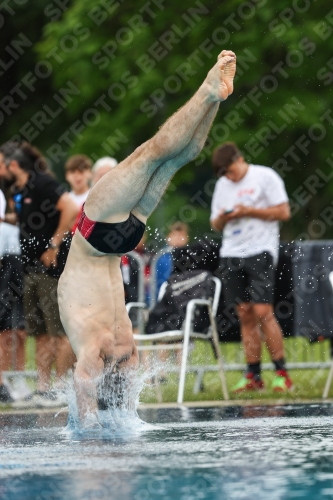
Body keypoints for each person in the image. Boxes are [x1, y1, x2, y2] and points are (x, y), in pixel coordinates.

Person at [57, 50, 237, 424]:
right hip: (96, 234)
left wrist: (89, 425)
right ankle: (208, 93)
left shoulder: (119, 348)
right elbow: (84, 381)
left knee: (171, 159)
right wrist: (90, 421)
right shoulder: (101, 347)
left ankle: (214, 97)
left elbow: (90, 383)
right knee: (152, 153)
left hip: (119, 240)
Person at [0, 143, 79, 408]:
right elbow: (25, 222)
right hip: (29, 269)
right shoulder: (18, 190)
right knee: (40, 333)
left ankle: (61, 385)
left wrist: (54, 244)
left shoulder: (42, 183)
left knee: (59, 331)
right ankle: (44, 388)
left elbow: (70, 208)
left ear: (13, 165)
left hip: (51, 268)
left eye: (2, 164)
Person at [210, 142, 292, 392]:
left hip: (260, 250)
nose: (228, 177)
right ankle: (253, 375)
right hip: (231, 252)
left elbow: (284, 212)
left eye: (229, 170)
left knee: (263, 310)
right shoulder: (222, 185)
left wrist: (250, 211)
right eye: (223, 173)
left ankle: (281, 373)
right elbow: (215, 224)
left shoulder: (265, 176)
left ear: (240, 159)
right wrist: (225, 216)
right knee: (244, 312)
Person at [156, 221, 190, 298]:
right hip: (163, 298)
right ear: (168, 237)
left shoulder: (190, 256)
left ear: (187, 238)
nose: (178, 238)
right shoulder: (161, 257)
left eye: (181, 235)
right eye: (175, 235)